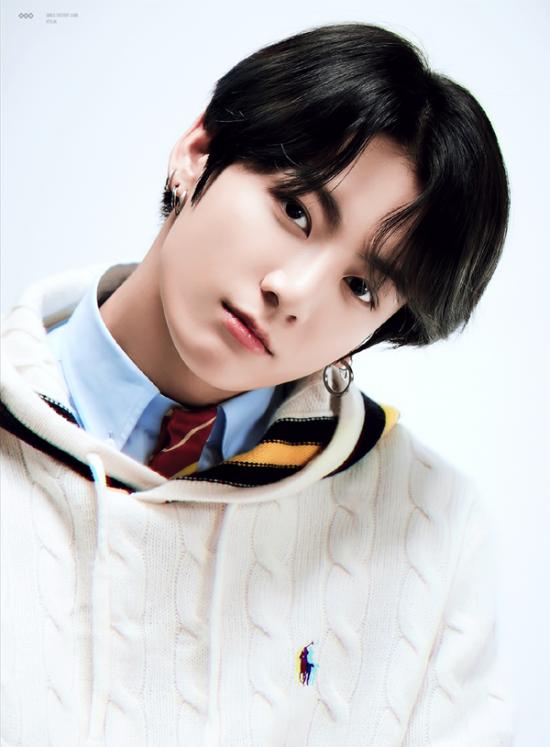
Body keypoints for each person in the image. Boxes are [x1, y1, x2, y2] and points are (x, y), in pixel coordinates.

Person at [0, 22, 514, 747]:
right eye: (295, 210)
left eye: (361, 287)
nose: (293, 291)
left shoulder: (430, 525)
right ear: (197, 152)